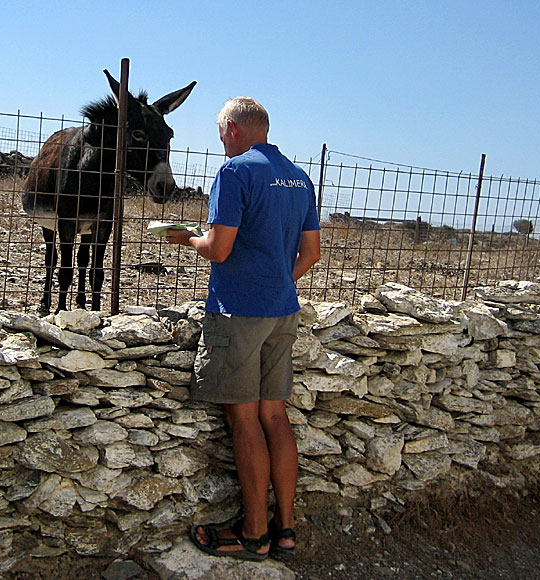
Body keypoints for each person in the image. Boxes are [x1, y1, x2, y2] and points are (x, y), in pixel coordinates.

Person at [164, 97, 321, 561]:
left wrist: (185, 238)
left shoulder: (234, 173)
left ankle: (253, 534)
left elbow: (219, 249)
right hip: (282, 310)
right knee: (276, 416)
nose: (219, 139)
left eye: (219, 130)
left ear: (232, 128)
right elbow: (311, 253)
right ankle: (285, 528)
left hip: (238, 311)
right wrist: (276, 282)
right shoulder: (299, 177)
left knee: (244, 418)